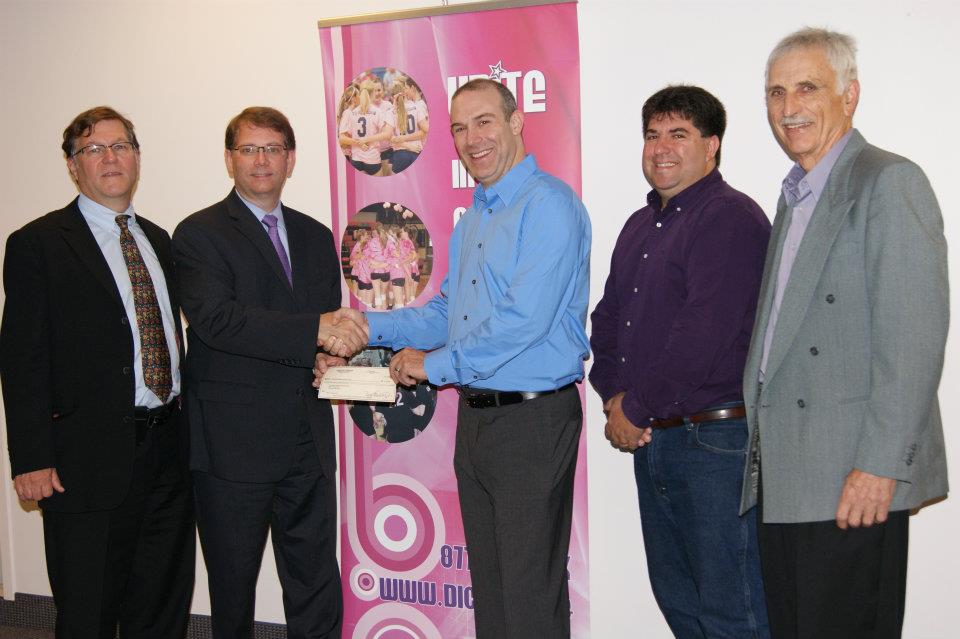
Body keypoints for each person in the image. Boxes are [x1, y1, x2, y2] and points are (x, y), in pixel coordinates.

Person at [356, 78, 591, 638]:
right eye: (459, 128)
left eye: (484, 121)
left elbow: (523, 323)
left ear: (516, 123)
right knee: (492, 591)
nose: (471, 138)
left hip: (531, 423)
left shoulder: (550, 206)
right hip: (480, 420)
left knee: (530, 595)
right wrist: (368, 324)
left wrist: (431, 367)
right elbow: (446, 314)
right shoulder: (478, 216)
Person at [741, 28, 949, 638]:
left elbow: (914, 339)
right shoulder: (795, 196)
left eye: (807, 87)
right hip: (788, 474)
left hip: (852, 479)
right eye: (776, 92)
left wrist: (880, 466)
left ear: (849, 94)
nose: (788, 107)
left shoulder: (888, 182)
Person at [172, 106, 367, 638]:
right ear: (230, 160)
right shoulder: (198, 234)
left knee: (315, 580)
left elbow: (322, 326)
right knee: (233, 591)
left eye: (273, 149)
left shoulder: (314, 235)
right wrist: (316, 333)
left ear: (291, 159)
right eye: (249, 149)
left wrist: (330, 356)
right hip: (234, 446)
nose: (262, 160)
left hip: (306, 438)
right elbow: (219, 322)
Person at [0, 106, 194, 638]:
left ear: (136, 157)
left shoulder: (158, 239)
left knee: (161, 604)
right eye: (93, 149)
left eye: (121, 146)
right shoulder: (37, 244)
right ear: (72, 166)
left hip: (169, 454)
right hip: (83, 464)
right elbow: (22, 359)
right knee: (87, 611)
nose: (110, 159)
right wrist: (32, 458)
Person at [590, 85, 772, 638]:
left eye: (679, 134)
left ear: (712, 146)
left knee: (731, 612)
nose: (661, 148)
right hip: (657, 441)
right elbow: (608, 319)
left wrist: (636, 407)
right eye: (652, 135)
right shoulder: (639, 226)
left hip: (715, 445)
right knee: (680, 605)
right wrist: (615, 398)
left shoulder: (730, 218)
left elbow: (704, 336)